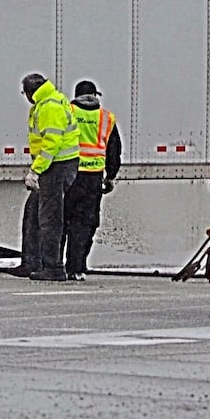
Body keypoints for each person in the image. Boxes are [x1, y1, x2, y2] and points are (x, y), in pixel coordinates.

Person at [18, 72, 79, 281]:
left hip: (56, 166)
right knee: (37, 213)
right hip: (59, 165)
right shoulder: (48, 101)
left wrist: (36, 170)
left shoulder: (49, 106)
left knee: (50, 218)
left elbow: (51, 144)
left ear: (29, 92)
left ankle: (53, 267)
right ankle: (35, 262)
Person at [64, 80, 122, 279]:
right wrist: (111, 175)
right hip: (93, 179)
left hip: (70, 176)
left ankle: (56, 265)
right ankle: (77, 267)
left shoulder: (68, 112)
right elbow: (114, 151)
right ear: (95, 96)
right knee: (85, 223)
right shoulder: (106, 118)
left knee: (62, 221)